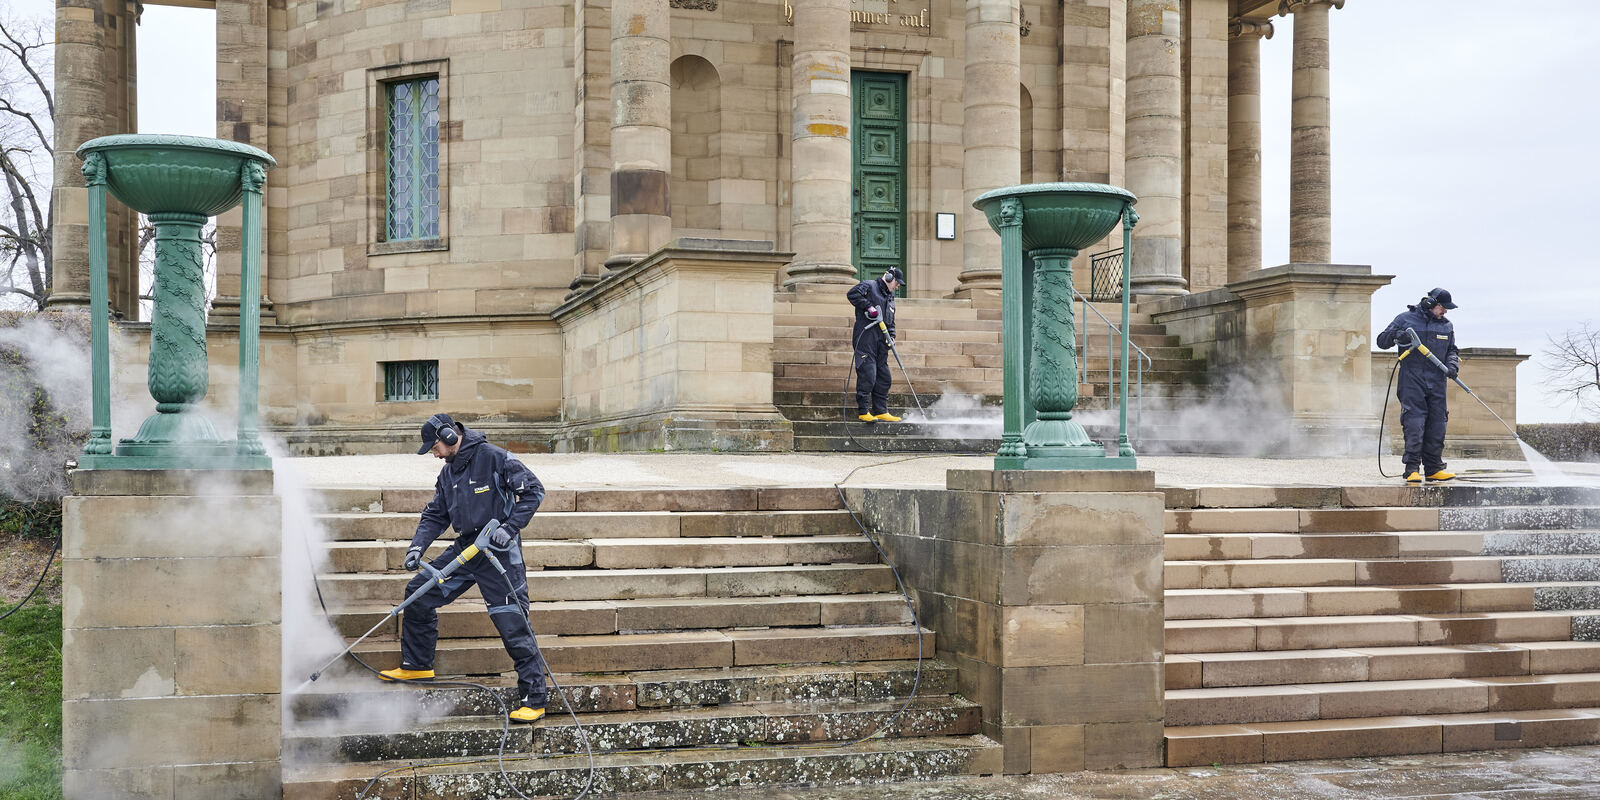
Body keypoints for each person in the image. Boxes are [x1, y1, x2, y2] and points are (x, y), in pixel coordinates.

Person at [379, 413, 550, 724]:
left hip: (499, 552)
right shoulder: (448, 474)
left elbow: (534, 491)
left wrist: (509, 527)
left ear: (448, 435)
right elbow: (435, 515)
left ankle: (534, 698)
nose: (432, 452)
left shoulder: (494, 458)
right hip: (467, 548)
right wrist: (417, 547)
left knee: (512, 622)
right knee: (418, 593)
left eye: (434, 446)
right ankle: (417, 665)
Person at [1377, 288, 1461, 484]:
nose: (1445, 312)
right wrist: (1399, 336)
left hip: (1437, 381)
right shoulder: (1405, 319)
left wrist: (1452, 365)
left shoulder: (1446, 326)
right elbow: (1381, 341)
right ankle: (1412, 469)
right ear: (1431, 303)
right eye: (1443, 307)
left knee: (1438, 424)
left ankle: (1434, 469)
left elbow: (1452, 350)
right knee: (1415, 423)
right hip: (1412, 380)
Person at [847, 267, 905, 423]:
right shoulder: (869, 285)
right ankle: (864, 411)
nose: (897, 286)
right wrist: (868, 306)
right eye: (897, 283)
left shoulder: (890, 297)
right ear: (889, 277)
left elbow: (890, 319)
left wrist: (892, 336)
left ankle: (880, 410)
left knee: (884, 376)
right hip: (866, 337)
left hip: (882, 341)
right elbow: (852, 294)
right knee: (868, 374)